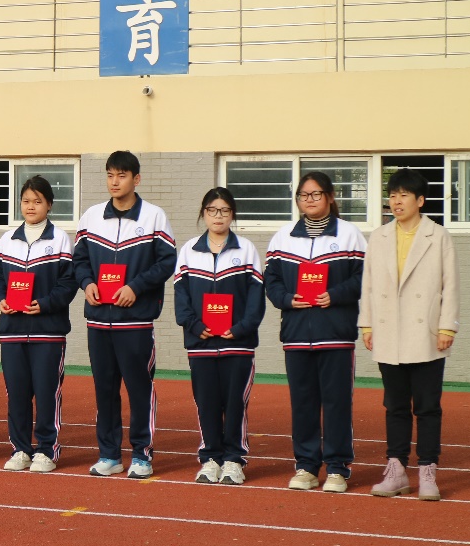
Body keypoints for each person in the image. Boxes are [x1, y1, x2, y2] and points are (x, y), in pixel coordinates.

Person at [72, 151, 176, 479]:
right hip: (98, 321)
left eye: (121, 175)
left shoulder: (154, 216)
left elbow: (167, 262)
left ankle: (142, 455)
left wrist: (136, 287)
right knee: (105, 390)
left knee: (139, 389)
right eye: (110, 175)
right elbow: (79, 260)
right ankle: (109, 455)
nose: (114, 182)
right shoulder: (91, 217)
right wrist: (87, 283)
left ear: (136, 179)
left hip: (136, 321)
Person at [359, 169, 460, 502]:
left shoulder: (438, 235)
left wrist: (447, 326)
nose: (396, 201)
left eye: (403, 195)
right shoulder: (379, 236)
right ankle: (396, 469)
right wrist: (367, 325)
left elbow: (450, 284)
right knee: (395, 406)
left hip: (426, 333)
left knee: (428, 407)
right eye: (392, 195)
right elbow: (368, 284)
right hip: (389, 331)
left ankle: (428, 470)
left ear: (420, 200)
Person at [264, 172, 366, 493]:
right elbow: (271, 280)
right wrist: (286, 299)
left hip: (335, 334)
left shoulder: (350, 235)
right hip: (296, 334)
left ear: (330, 197)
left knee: (337, 402)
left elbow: (364, 277)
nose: (309, 200)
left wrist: (335, 295)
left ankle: (337, 468)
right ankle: (306, 466)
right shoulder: (282, 238)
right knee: (303, 403)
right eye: (303, 195)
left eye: (316, 194)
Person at [172, 188, 264, 486]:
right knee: (207, 403)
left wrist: (240, 328)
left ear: (232, 214)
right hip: (201, 344)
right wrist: (194, 325)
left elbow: (256, 299)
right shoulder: (189, 251)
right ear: (204, 213)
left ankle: (234, 460)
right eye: (212, 210)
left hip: (238, 344)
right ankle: (210, 458)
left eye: (224, 210)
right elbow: (181, 296)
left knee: (235, 404)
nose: (218, 216)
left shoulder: (246, 250)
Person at [0, 176, 77, 473]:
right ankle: (21, 449)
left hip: (47, 331)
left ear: (49, 205)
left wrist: (46, 303)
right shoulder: (7, 240)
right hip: (12, 330)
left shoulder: (60, 239)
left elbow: (69, 282)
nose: (31, 206)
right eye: (26, 201)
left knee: (47, 392)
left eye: (38, 201)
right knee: (17, 393)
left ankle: (47, 450)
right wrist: (0, 299)